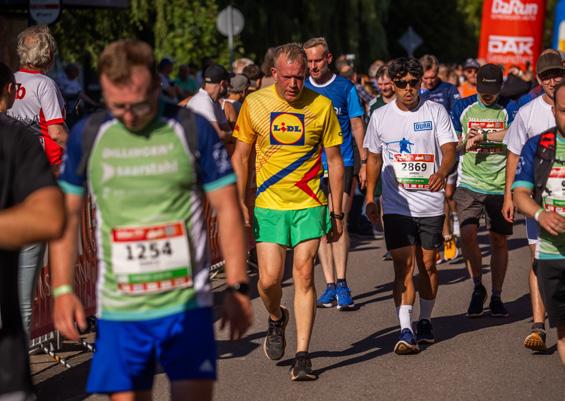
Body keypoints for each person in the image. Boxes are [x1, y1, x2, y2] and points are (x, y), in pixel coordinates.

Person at [50, 40, 252, 401]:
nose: (128, 115)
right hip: (121, 307)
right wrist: (63, 290)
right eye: (117, 105)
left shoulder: (191, 129)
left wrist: (237, 285)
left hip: (186, 304)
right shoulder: (89, 135)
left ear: (156, 86)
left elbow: (227, 208)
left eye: (139, 104)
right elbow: (65, 217)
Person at [231, 43, 344, 380]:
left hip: (309, 203)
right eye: (287, 77)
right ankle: (277, 317)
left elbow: (335, 160)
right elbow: (240, 156)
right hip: (269, 205)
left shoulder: (321, 106)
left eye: (300, 77)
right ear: (274, 73)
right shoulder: (254, 103)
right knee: (268, 281)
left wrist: (337, 211)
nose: (294, 84)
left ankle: (302, 356)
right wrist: (239, 201)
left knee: (305, 273)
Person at [364, 57, 457, 354]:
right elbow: (373, 158)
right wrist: (370, 197)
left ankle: (425, 319)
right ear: (392, 84)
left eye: (413, 83)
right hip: (396, 204)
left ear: (419, 83)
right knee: (402, 265)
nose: (407, 89)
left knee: (427, 265)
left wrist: (442, 172)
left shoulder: (435, 111)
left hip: (430, 204)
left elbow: (449, 149)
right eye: (401, 83)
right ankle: (406, 329)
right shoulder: (380, 116)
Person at [0, 61, 65, 401]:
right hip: (21, 233)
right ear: (9, 90)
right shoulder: (18, 136)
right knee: (21, 305)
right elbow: (51, 218)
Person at [7, 25, 68, 338]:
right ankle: (19, 360)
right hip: (36, 179)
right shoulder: (45, 84)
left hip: (7, 177)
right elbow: (55, 132)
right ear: (49, 54)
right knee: (26, 280)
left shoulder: (9, 81)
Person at [503, 49, 565, 351]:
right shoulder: (527, 112)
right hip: (537, 203)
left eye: (556, 74)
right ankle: (538, 325)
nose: (552, 81)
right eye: (546, 76)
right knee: (539, 259)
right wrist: (509, 196)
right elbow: (513, 154)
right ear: (538, 80)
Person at [302, 37, 365, 311]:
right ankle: (329, 285)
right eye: (309, 61)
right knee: (321, 226)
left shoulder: (344, 87)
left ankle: (342, 283)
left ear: (328, 58)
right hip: (311, 166)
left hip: (344, 162)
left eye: (317, 60)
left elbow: (357, 124)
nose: (313, 66)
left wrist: (364, 162)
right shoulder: (301, 88)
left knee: (339, 221)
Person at [451, 64, 513, 318]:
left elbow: (514, 135)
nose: (487, 96)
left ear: (500, 87)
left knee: (498, 239)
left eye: (492, 91)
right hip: (468, 182)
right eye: (483, 90)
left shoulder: (510, 107)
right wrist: (465, 142)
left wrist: (485, 135)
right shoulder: (461, 107)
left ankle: (496, 295)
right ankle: (478, 287)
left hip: (499, 185)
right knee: (467, 234)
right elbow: (453, 146)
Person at [186, 64, 232, 140]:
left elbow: (226, 128)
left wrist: (230, 135)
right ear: (222, 83)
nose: (229, 85)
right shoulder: (203, 101)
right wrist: (233, 136)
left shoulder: (214, 101)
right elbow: (218, 134)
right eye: (228, 82)